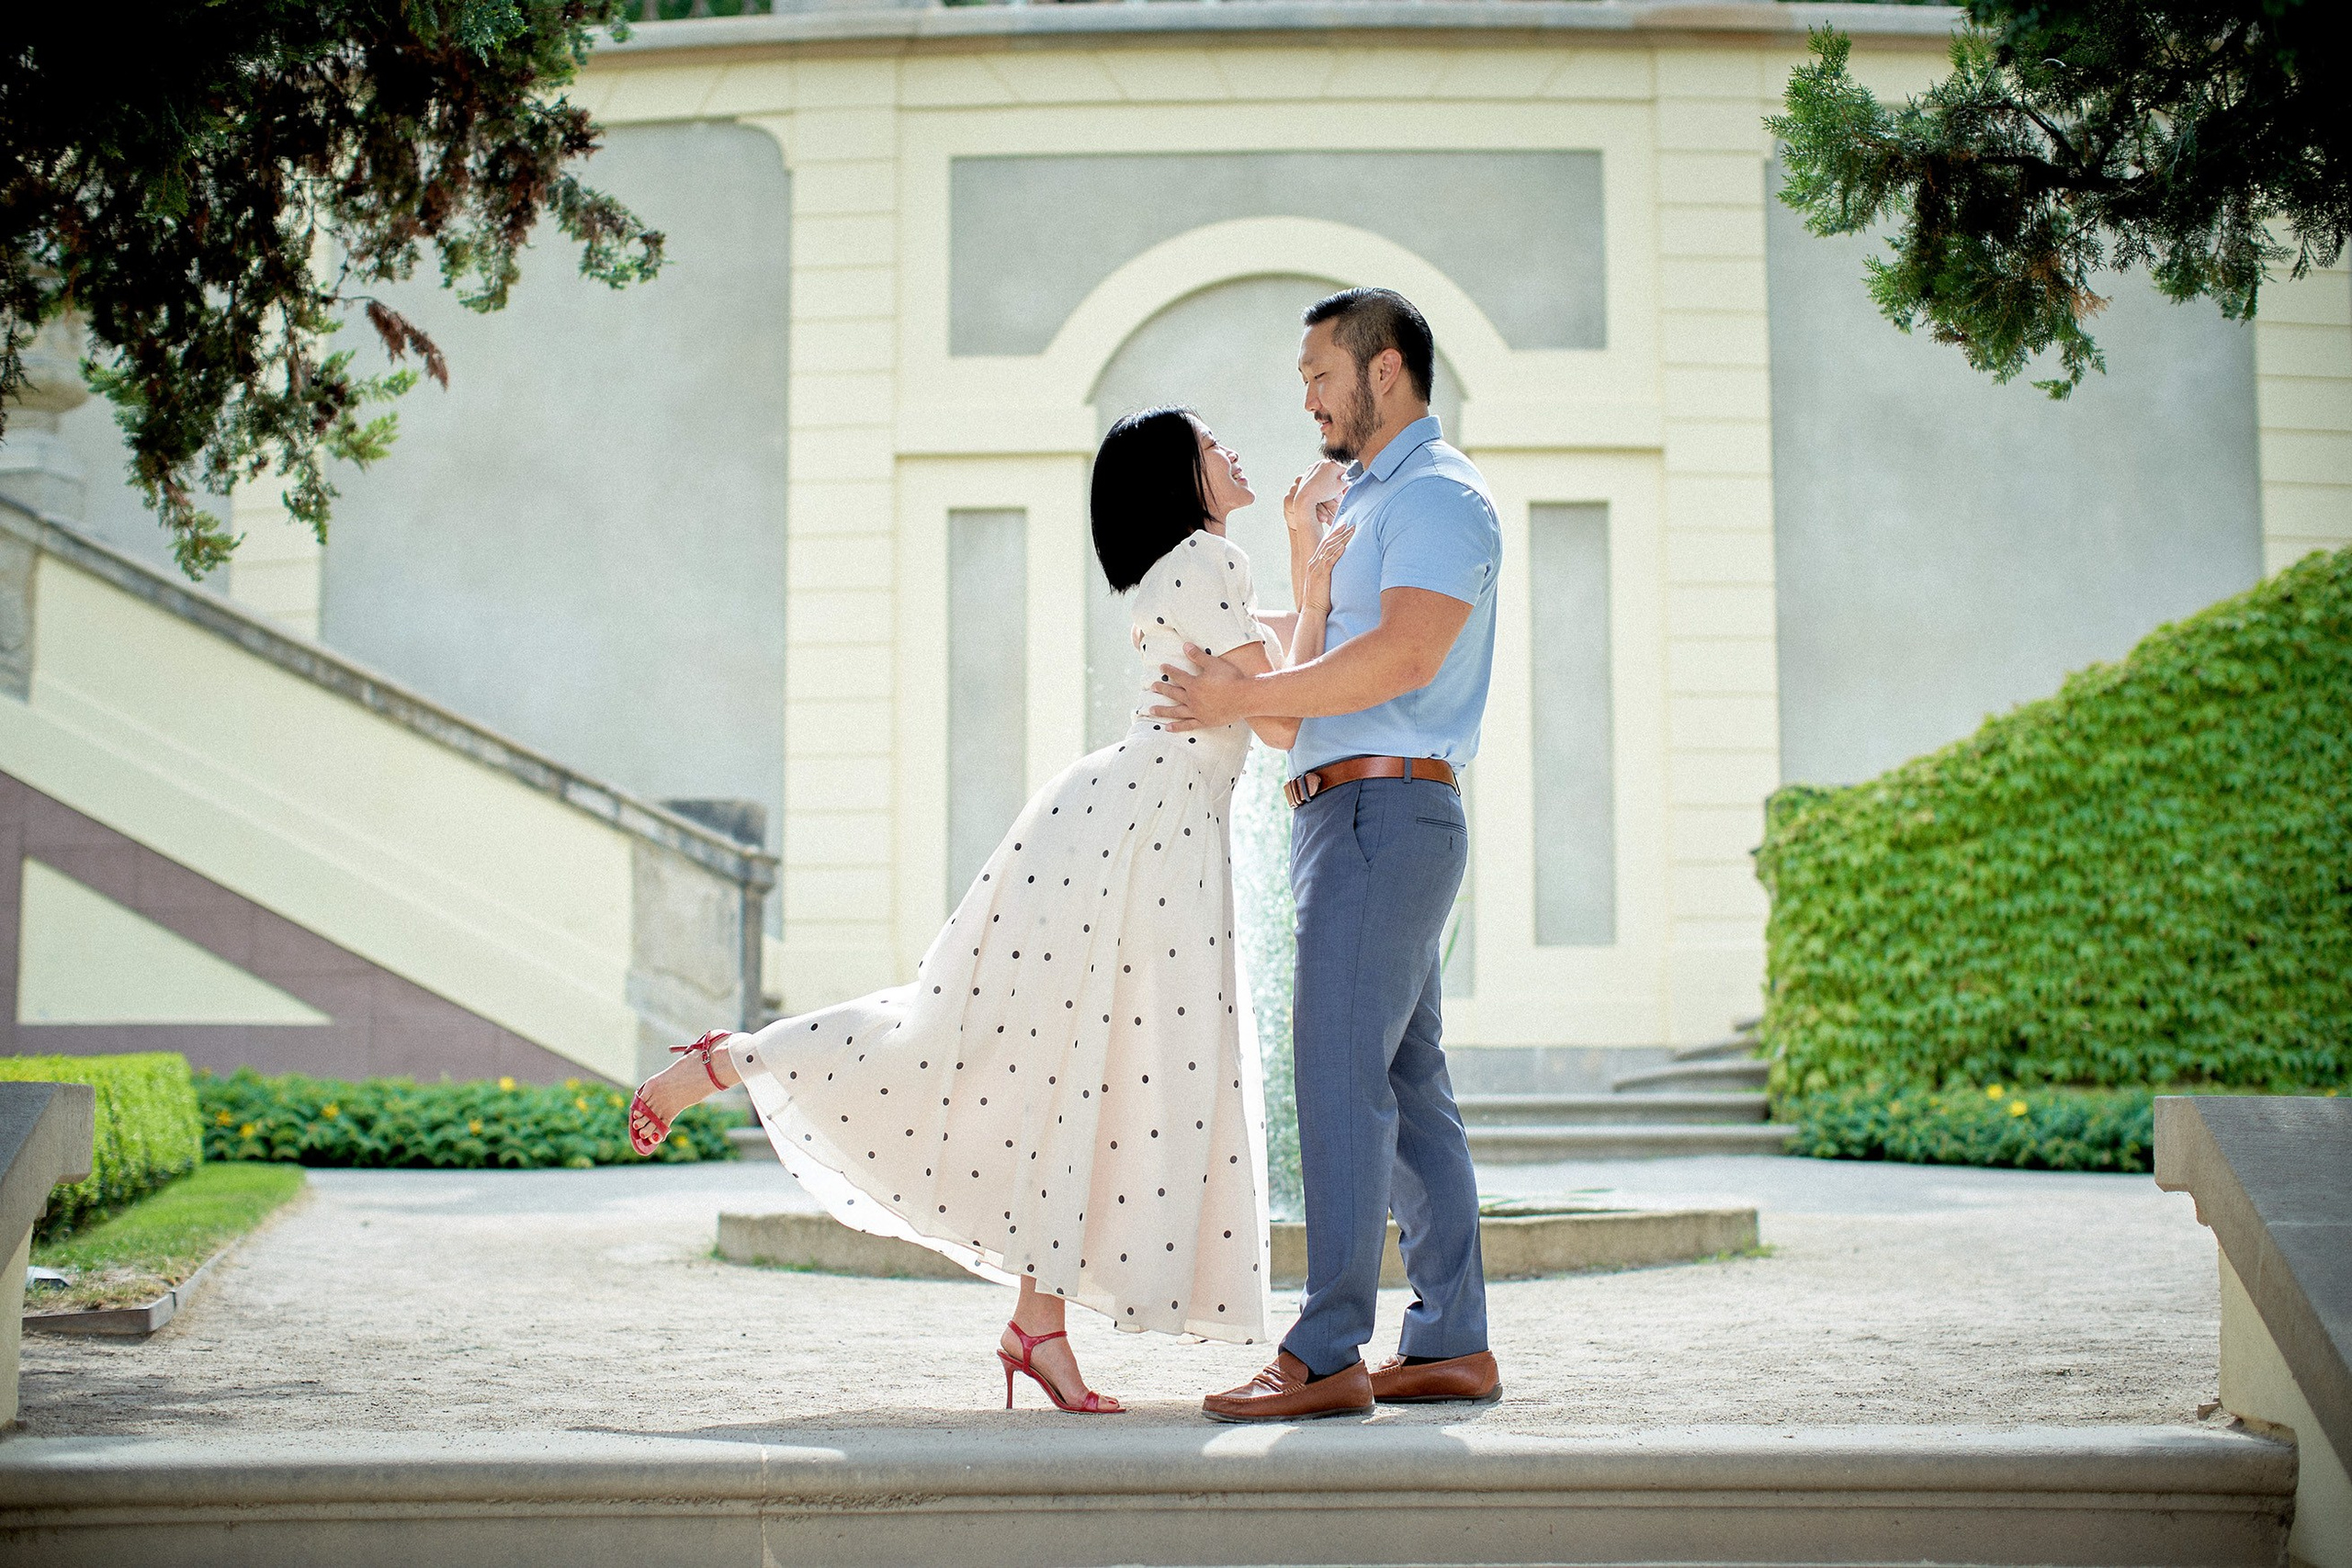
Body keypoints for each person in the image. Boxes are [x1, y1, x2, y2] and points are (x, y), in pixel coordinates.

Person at [627, 407, 1353, 1416]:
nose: (1232, 448)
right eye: (1208, 440)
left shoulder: (1201, 564)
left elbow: (1279, 674)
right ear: (1174, 476)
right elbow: (1286, 716)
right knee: (1006, 1045)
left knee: (1063, 1063)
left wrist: (1297, 561)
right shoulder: (1204, 561)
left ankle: (1036, 1326)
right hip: (1143, 837)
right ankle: (732, 1059)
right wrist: (1306, 572)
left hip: (1142, 830)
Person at [1151, 288, 1505, 1422]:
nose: (1305, 395)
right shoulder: (1357, 507)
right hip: (1347, 815)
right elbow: (1297, 717)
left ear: (1384, 370)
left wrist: (1245, 685)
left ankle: (1324, 1349)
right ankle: (1449, 1341)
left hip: (1382, 818)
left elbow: (1404, 657)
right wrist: (1303, 560)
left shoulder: (1440, 499)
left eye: (1319, 374)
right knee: (1408, 1081)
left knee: (1339, 1080)